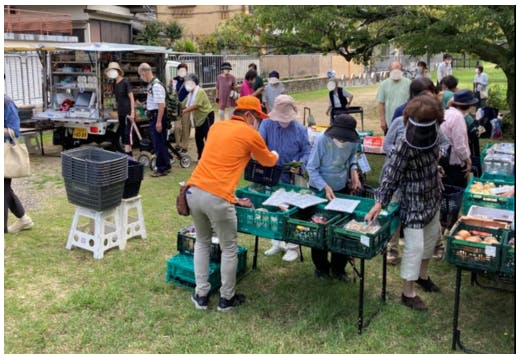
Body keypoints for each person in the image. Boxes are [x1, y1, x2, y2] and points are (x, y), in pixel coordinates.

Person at [186, 96, 279, 311]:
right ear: (248, 116)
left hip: (193, 190)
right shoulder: (249, 133)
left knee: (202, 242)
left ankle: (201, 294)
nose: (258, 123)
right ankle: (226, 299)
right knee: (229, 248)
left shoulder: (216, 127)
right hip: (217, 197)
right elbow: (267, 161)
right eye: (257, 118)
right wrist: (274, 154)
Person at [366, 94, 444, 311]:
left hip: (433, 194)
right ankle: (407, 293)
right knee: (415, 247)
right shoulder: (404, 144)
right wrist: (380, 201)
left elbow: (443, 147)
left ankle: (423, 276)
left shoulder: (437, 131)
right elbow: (391, 174)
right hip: (412, 200)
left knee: (430, 240)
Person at [306, 114, 362, 281]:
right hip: (320, 188)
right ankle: (321, 268)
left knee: (342, 229)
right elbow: (311, 168)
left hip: (341, 187)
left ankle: (338, 269)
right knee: (319, 228)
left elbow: (353, 157)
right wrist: (324, 186)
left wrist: (354, 171)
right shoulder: (322, 140)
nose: (342, 141)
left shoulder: (353, 141)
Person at [259, 95, 311, 262]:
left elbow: (307, 151)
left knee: (291, 211)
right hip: (272, 173)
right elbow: (260, 146)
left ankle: (292, 246)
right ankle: (276, 241)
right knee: (272, 208)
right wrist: (267, 159)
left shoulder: (300, 129)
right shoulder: (266, 124)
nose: (284, 121)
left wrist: (300, 164)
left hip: (292, 175)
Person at [4, 95, 34, 234]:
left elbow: (14, 131)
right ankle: (23, 219)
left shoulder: (7, 103)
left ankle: (22, 219)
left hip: (5, 152)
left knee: (4, 188)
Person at [137, 63, 171, 177]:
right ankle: (165, 165)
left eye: (140, 74)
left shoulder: (156, 85)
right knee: (159, 143)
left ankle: (162, 168)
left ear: (144, 72)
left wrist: (158, 121)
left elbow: (161, 105)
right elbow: (153, 102)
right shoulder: (152, 85)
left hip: (157, 116)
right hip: (154, 115)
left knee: (159, 143)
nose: (141, 77)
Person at [440, 89, 476, 188]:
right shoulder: (458, 117)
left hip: (442, 157)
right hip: (453, 161)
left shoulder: (446, 112)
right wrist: (467, 160)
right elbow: (459, 145)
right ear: (468, 105)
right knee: (456, 189)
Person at [181, 73, 214, 161]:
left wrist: (184, 111)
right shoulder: (190, 94)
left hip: (207, 116)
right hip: (199, 119)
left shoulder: (200, 91)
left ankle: (210, 157)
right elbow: (183, 104)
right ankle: (201, 156)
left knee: (208, 137)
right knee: (198, 138)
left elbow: (196, 105)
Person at [105, 62, 135, 156]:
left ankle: (128, 155)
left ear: (118, 71)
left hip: (128, 111)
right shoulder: (115, 83)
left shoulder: (125, 82)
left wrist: (133, 112)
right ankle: (129, 154)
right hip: (120, 112)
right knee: (122, 132)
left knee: (127, 133)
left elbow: (131, 97)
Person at [376, 61, 411, 134]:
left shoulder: (409, 83)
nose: (396, 72)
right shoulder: (384, 84)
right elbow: (381, 103)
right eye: (394, 70)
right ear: (390, 71)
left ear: (401, 70)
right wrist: (382, 120)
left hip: (406, 121)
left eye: (398, 69)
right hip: (389, 121)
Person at [172, 63, 190, 152]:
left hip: (186, 107)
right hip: (176, 107)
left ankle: (185, 146)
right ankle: (177, 144)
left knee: (185, 126)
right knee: (177, 127)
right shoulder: (174, 80)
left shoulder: (190, 81)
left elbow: (192, 93)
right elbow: (172, 93)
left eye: (184, 70)